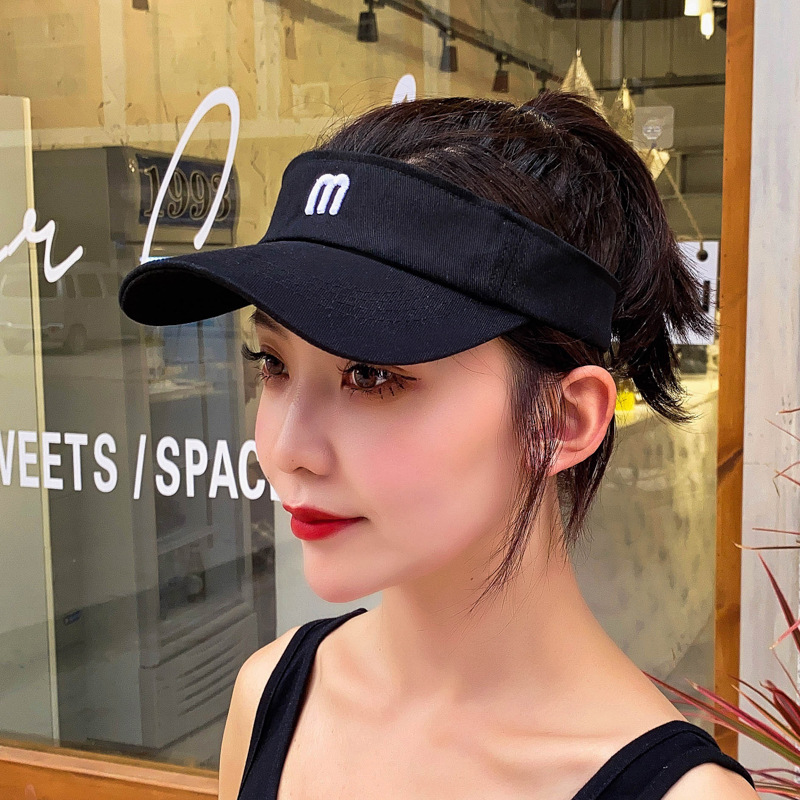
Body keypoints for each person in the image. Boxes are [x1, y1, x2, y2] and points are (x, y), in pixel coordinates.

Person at [119, 91, 758, 800]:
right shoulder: (270, 698)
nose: (288, 448)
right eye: (273, 363)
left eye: (371, 375)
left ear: (563, 420)